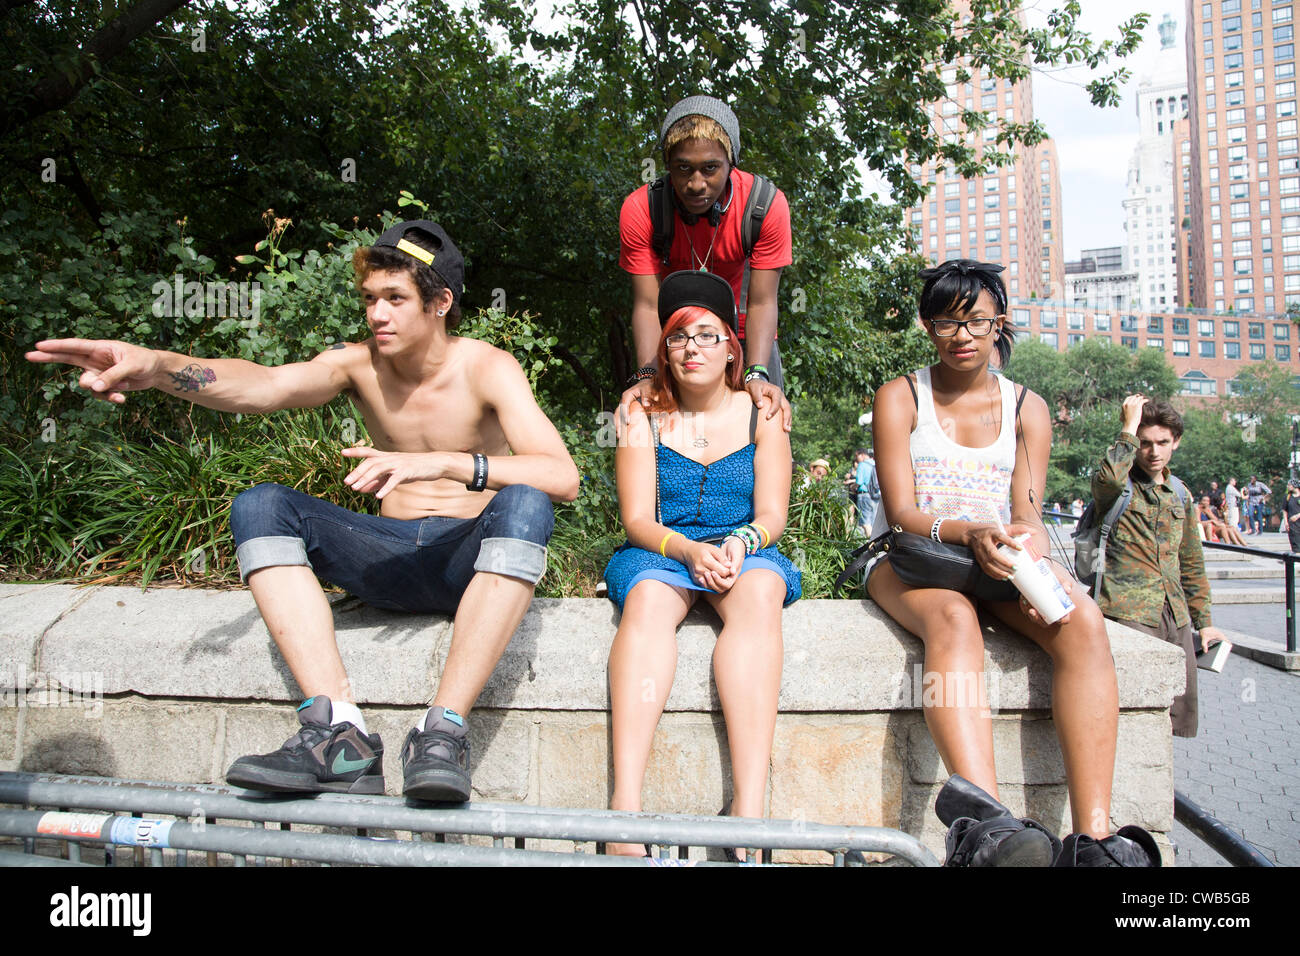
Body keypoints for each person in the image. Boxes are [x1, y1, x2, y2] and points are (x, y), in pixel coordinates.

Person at [26, 220, 580, 801]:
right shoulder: (356, 364)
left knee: (526, 502)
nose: (377, 315)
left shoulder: (487, 366)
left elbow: (560, 475)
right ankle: (337, 733)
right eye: (370, 298)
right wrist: (159, 366)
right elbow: (263, 385)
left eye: (395, 299)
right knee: (262, 505)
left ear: (440, 302)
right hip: (384, 558)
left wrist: (443, 463)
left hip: (465, 562)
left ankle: (442, 732)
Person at [867, 258, 1155, 867]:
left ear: (999, 323)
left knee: (1081, 621)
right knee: (954, 619)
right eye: (947, 321)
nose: (962, 335)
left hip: (997, 561)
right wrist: (969, 531)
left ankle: (1094, 839)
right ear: (927, 326)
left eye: (976, 320)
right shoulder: (900, 397)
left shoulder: (1027, 407)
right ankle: (988, 829)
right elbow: (901, 512)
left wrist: (1032, 557)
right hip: (916, 560)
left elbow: (1027, 509)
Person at [602, 270, 800, 859]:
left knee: (760, 598)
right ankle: (624, 813)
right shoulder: (640, 415)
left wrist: (741, 543)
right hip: (664, 548)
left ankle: (749, 808)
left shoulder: (761, 413)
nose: (692, 348)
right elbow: (636, 518)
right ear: (662, 348)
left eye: (708, 335)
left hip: (743, 546)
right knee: (645, 604)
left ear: (732, 348)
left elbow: (774, 514)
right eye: (678, 336)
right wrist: (688, 551)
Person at [619, 95, 792, 431]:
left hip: (743, 332)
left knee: (766, 417)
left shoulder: (764, 205)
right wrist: (648, 375)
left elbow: (761, 301)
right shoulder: (642, 209)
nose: (696, 184)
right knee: (648, 420)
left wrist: (756, 372)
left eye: (710, 168)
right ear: (668, 165)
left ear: (731, 162)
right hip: (677, 337)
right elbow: (645, 305)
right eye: (683, 168)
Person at [1093, 396, 1225, 739]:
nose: (1153, 452)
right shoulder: (1119, 487)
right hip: (1128, 615)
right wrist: (1128, 428)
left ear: (1175, 442)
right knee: (1131, 718)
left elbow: (1191, 561)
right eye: (1146, 443)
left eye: (1163, 443)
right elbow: (1106, 480)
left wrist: (1205, 623)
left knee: (1171, 721)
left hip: (1175, 618)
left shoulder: (1179, 493)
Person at [854, 448, 879, 532]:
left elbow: (859, 482)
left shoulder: (862, 465)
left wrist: (852, 487)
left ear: (862, 455)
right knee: (873, 522)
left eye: (856, 456)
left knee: (865, 523)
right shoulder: (875, 463)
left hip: (864, 495)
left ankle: (871, 543)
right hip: (875, 495)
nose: (856, 458)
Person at [1282, 480, 1300, 553]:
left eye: (1289, 485)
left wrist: (1298, 516)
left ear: (1294, 486)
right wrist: (1286, 522)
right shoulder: (1287, 497)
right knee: (1295, 544)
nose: (1287, 486)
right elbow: (1284, 510)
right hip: (1292, 525)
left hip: (1298, 521)